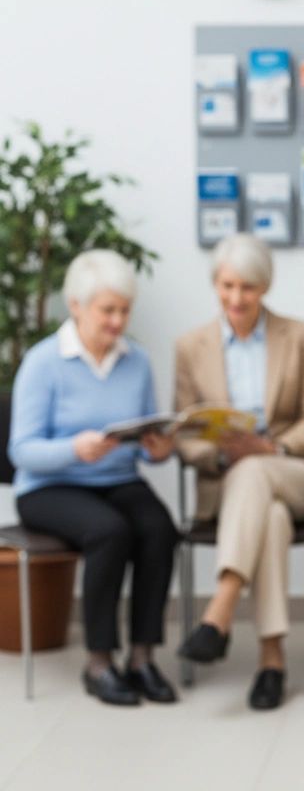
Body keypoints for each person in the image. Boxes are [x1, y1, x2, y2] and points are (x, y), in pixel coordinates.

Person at [9, 250, 179, 706]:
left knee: (160, 528)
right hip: (49, 486)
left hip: (118, 477)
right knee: (109, 531)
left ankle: (142, 657)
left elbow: (146, 436)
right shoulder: (44, 362)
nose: (118, 321)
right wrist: (73, 448)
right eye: (108, 310)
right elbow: (21, 450)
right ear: (77, 306)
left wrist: (159, 450)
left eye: (124, 311)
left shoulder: (136, 361)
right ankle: (99, 661)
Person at [175, 234, 304, 710]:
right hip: (229, 482)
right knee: (270, 517)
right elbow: (185, 436)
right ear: (215, 284)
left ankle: (220, 607)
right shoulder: (190, 347)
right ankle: (272, 660)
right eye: (227, 286)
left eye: (248, 287)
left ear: (264, 287)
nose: (236, 298)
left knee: (257, 472)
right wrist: (224, 454)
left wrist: (272, 446)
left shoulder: (300, 337)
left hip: (299, 471)